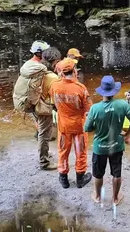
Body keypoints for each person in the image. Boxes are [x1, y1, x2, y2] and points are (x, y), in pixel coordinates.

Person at [84, 75, 130, 205]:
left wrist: (94, 120)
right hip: (116, 145)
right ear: (114, 90)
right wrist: (126, 134)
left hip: (100, 147)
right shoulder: (122, 105)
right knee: (116, 172)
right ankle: (115, 198)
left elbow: (87, 128)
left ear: (102, 91)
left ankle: (97, 196)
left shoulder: (95, 108)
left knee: (98, 174)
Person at [50, 58, 92, 189]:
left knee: (63, 151)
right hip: (79, 126)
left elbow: (54, 104)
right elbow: (88, 109)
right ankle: (80, 179)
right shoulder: (80, 88)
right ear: (74, 71)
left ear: (61, 73)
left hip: (63, 126)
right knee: (81, 152)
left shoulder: (54, 86)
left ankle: (64, 179)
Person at [34, 47, 62, 170]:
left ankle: (44, 153)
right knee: (44, 134)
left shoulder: (39, 69)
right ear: (55, 61)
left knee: (42, 132)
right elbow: (55, 97)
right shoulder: (52, 77)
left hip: (35, 104)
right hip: (43, 108)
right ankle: (44, 162)